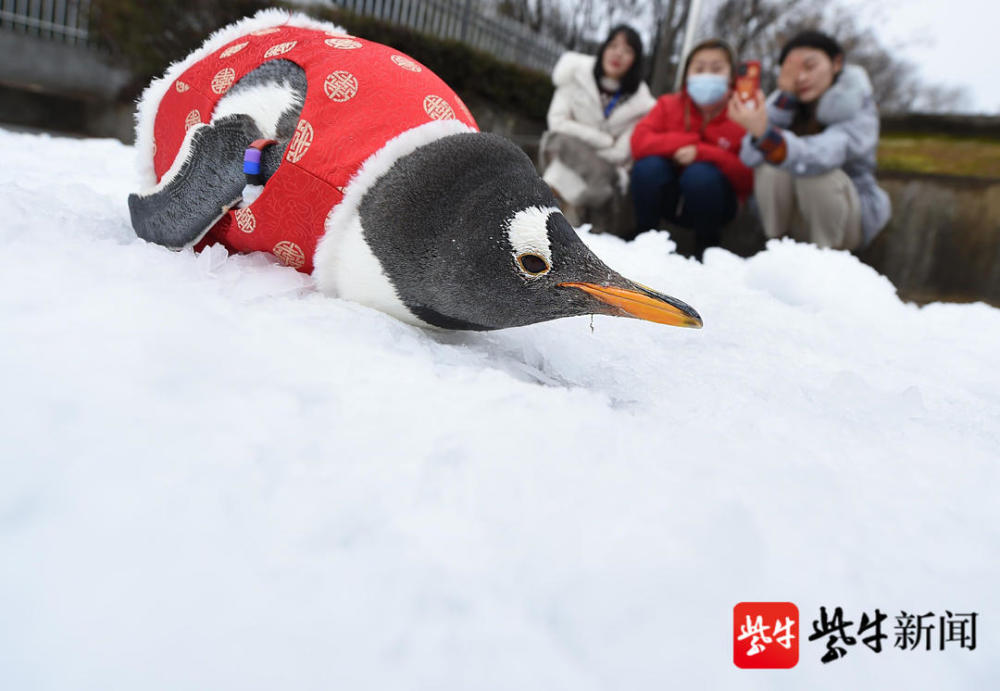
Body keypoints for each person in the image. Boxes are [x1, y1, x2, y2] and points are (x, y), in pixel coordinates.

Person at [728, 30, 890, 250]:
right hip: (793, 217)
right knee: (769, 166)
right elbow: (749, 156)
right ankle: (777, 248)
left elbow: (827, 154)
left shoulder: (857, 104)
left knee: (816, 174)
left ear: (836, 63)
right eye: (792, 70)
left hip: (847, 221)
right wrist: (783, 104)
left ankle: (825, 264)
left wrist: (767, 136)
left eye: (810, 66)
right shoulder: (783, 102)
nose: (801, 77)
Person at [630, 39, 753, 258]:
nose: (706, 75)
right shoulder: (668, 104)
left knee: (701, 175)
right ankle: (644, 236)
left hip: (717, 204)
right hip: (669, 196)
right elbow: (639, 142)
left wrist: (702, 152)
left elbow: (747, 176)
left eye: (716, 69)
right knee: (648, 167)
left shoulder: (743, 115)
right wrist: (686, 141)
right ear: (687, 73)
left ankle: (707, 248)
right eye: (699, 68)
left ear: (732, 76)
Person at [541, 25, 656, 235]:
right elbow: (557, 124)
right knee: (559, 158)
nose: (618, 53)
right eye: (613, 45)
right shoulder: (574, 76)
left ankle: (558, 224)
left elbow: (621, 154)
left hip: (605, 175)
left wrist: (579, 138)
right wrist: (602, 139)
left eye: (628, 50)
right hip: (566, 156)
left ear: (636, 60)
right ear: (603, 48)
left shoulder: (642, 103)